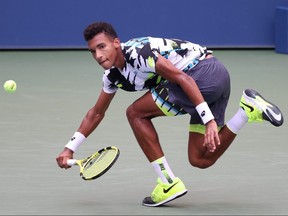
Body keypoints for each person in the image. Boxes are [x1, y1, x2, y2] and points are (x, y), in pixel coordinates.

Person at [56, 21, 284, 207]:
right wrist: (70, 148)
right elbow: (96, 113)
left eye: (102, 46)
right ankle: (247, 110)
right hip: (211, 83)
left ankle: (167, 182)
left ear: (116, 43)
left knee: (135, 113)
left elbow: (183, 79)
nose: (97, 55)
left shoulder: (139, 53)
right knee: (200, 159)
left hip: (203, 76)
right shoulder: (113, 76)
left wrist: (210, 120)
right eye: (93, 51)